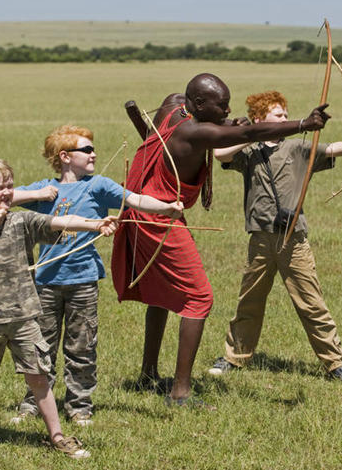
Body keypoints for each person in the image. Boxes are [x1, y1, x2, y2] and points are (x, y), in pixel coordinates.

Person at [111, 74, 330, 406]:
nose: (228, 110)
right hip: (159, 219)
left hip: (142, 210)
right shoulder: (194, 132)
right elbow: (248, 133)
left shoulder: (172, 109)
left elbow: (213, 119)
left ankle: (148, 374)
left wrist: (225, 119)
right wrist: (304, 124)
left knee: (159, 294)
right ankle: (181, 392)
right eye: (222, 105)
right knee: (199, 299)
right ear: (199, 105)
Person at [0, 153, 119, 458]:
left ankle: (58, 436)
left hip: (25, 318)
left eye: (10, 186)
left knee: (39, 377)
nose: (7, 192)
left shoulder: (23, 220)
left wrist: (95, 224)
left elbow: (61, 221)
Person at [206, 90, 342, 384]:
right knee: (249, 302)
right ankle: (234, 357)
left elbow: (330, 149)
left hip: (294, 239)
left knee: (311, 303)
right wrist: (252, 134)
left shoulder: (296, 147)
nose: (284, 119)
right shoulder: (248, 150)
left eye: (284, 115)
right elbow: (219, 153)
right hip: (260, 239)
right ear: (259, 118)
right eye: (277, 116)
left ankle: (336, 364)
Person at [9, 126, 184, 426]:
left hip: (83, 280)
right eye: (86, 150)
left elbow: (136, 200)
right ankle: (35, 402)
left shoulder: (99, 186)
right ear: (65, 157)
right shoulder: (45, 188)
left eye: (93, 149)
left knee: (82, 345)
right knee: (41, 347)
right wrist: (39, 194)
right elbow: (2, 198)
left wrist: (167, 208)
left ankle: (79, 405)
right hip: (46, 282)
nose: (94, 154)